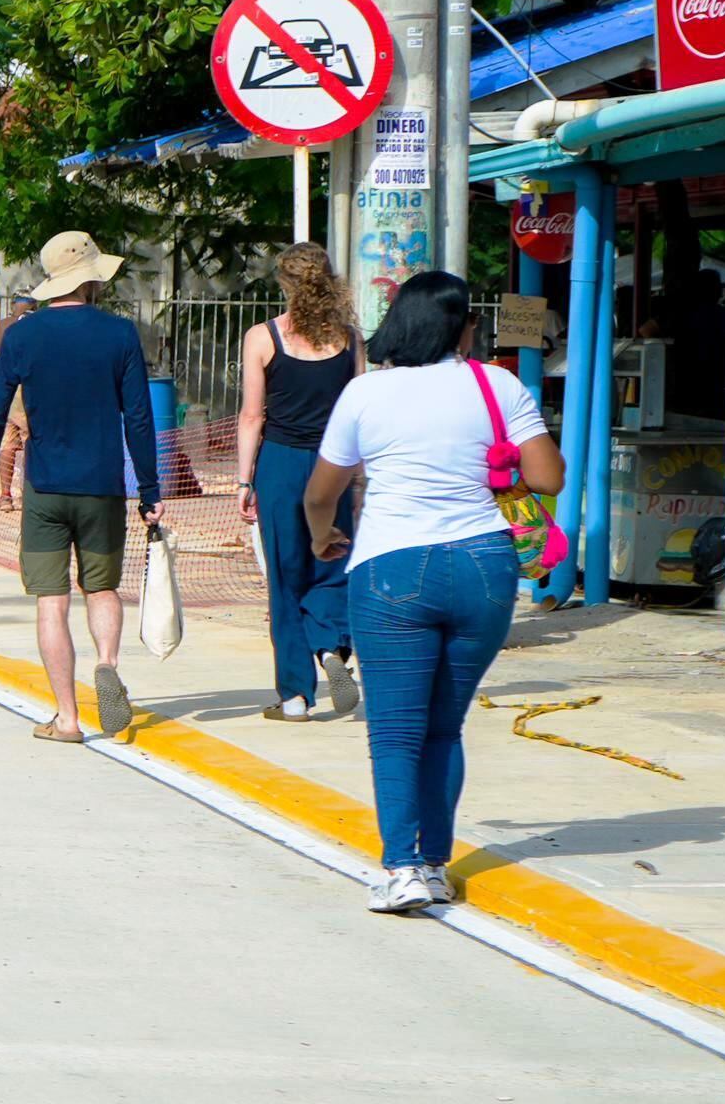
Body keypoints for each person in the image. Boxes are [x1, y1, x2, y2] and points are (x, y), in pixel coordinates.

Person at [305, 270, 564, 915]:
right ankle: (436, 864)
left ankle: (401, 869)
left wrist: (320, 538)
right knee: (444, 728)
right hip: (484, 567)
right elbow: (547, 477)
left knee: (394, 731)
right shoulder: (496, 383)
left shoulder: (365, 393)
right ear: (460, 326)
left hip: (392, 566)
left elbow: (321, 492)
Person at [0, 229, 166, 744]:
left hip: (46, 488)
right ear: (93, 281)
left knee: (51, 600)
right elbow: (139, 419)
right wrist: (148, 490)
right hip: (102, 486)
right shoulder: (119, 335)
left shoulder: (23, 336)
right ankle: (107, 663)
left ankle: (68, 718)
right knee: (101, 587)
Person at [235, 243, 363, 722]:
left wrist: (244, 481)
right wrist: (361, 478)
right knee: (332, 562)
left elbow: (252, 415)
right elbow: (356, 413)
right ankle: (331, 648)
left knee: (286, 576)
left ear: (283, 283)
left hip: (281, 464)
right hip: (336, 462)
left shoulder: (263, 337)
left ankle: (295, 697)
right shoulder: (350, 339)